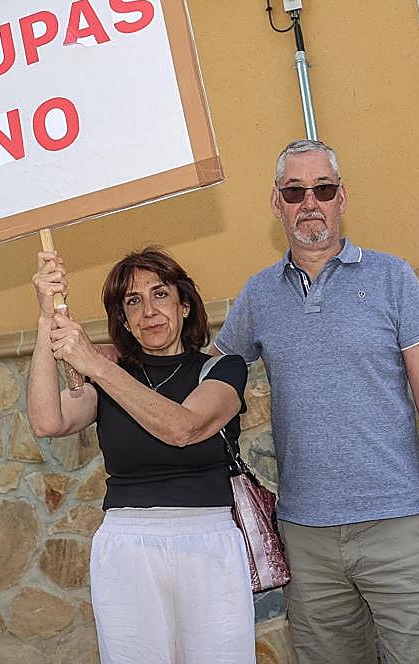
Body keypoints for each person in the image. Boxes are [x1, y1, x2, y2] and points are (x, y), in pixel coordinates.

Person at [214, 139, 419, 664]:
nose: (309, 201)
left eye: (323, 188)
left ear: (342, 198)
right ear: (276, 203)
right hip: (307, 539)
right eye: (294, 191)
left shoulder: (392, 278)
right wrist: (123, 360)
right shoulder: (259, 295)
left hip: (398, 528)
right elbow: (212, 377)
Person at [28, 246, 255, 664]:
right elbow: (47, 421)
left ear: (185, 305)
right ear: (125, 320)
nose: (148, 310)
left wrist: (95, 365)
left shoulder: (222, 370)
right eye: (133, 301)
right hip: (126, 545)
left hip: (208, 543)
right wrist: (46, 319)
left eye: (160, 294)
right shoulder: (110, 379)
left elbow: (183, 428)